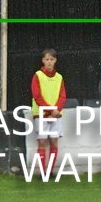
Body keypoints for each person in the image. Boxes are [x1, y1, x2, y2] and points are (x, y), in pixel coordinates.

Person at [31, 48, 67, 176]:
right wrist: (52, 110)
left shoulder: (59, 77)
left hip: (55, 115)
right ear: (42, 61)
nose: (49, 62)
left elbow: (62, 96)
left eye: (51, 59)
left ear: (55, 60)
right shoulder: (38, 75)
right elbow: (37, 96)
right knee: (41, 142)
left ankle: (50, 171)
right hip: (41, 115)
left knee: (54, 141)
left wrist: (56, 109)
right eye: (47, 59)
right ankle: (42, 171)